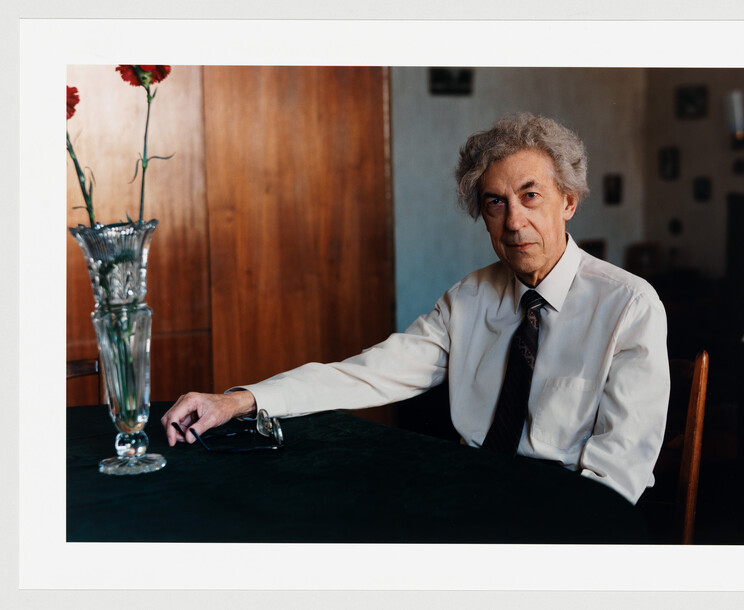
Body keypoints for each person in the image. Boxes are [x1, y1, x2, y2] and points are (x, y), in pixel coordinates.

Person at [161, 112, 670, 504]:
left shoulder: (629, 306)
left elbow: (617, 475)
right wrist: (238, 401)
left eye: (530, 196)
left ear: (568, 201)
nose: (514, 222)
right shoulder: (468, 300)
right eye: (495, 203)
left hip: (567, 515)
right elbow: (363, 376)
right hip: (469, 499)